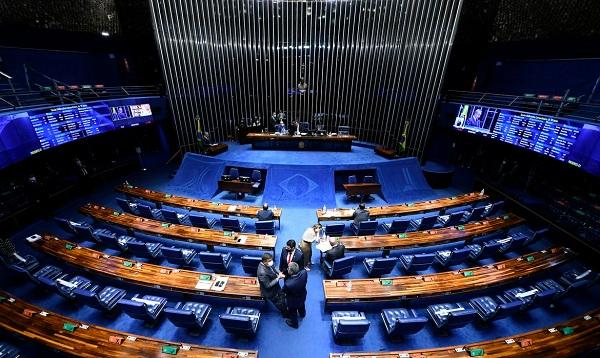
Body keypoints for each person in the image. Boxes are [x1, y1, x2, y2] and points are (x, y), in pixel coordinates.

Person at [282, 262, 307, 328]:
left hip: (293, 301)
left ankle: (294, 324)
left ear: (291, 271)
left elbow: (284, 291)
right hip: (302, 295)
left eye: (288, 269)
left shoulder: (288, 284)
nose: (287, 269)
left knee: (292, 312)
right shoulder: (304, 273)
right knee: (302, 305)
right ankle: (302, 314)